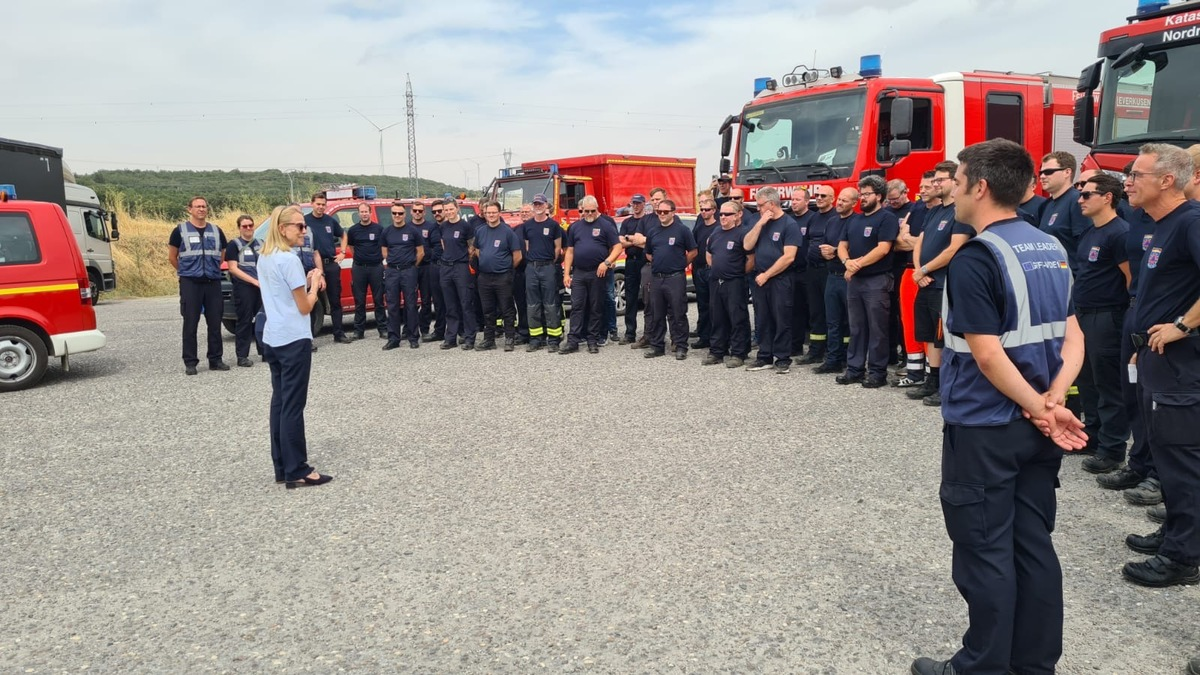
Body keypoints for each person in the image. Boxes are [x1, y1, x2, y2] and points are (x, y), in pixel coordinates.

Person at [912, 138, 1087, 675]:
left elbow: (987, 356)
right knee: (1032, 545)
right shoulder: (1050, 246)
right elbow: (1073, 337)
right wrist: (1052, 400)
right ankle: (1033, 663)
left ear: (980, 187)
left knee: (983, 550)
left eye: (959, 180)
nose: (953, 190)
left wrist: (1040, 406)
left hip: (986, 425)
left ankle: (982, 666)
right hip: (1035, 426)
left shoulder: (977, 257)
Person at [1121, 142, 1200, 589]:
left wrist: (1182, 326)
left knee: (1182, 459)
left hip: (1181, 366)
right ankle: (1175, 531)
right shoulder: (1160, 225)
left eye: (1137, 175)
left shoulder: (1191, 221)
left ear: (1167, 180)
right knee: (1165, 454)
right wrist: (1143, 343)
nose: (1128, 182)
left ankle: (1183, 557)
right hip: (1155, 358)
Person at [258, 205, 333, 489]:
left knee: (279, 402)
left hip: (273, 336)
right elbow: (305, 306)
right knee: (292, 406)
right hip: (293, 337)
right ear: (282, 228)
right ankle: (298, 468)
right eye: (299, 226)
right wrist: (314, 284)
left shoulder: (265, 256)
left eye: (305, 226)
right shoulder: (288, 260)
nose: (304, 231)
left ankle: (282, 465)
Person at [1073, 174, 1132, 474]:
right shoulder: (1089, 231)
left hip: (1107, 316)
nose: (1080, 199)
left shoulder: (1120, 233)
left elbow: (1130, 279)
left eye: (1087, 194)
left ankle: (1112, 449)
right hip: (1084, 314)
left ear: (1107, 197)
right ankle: (1092, 437)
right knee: (1087, 381)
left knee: (1109, 384)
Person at [908, 162, 974, 406]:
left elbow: (954, 248)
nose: (935, 184)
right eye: (933, 180)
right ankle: (932, 380)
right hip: (925, 282)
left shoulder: (960, 212)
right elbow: (920, 242)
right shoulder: (934, 211)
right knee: (928, 335)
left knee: (943, 338)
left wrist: (925, 270)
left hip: (943, 284)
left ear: (954, 181)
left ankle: (948, 384)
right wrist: (919, 271)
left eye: (940, 180)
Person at [836, 176, 899, 388]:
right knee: (856, 327)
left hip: (877, 280)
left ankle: (877, 372)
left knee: (877, 328)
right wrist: (847, 262)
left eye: (866, 194)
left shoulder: (887, 218)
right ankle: (854, 369)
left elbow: (883, 248)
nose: (862, 198)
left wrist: (857, 265)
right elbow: (842, 246)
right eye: (861, 194)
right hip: (855, 281)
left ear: (879, 196)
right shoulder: (854, 220)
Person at [167, 196, 228, 375]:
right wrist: (187, 271)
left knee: (215, 323)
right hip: (191, 283)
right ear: (190, 209)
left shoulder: (216, 231)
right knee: (190, 323)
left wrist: (210, 269)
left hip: (212, 282)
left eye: (204, 206)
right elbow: (172, 257)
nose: (201, 209)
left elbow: (222, 255)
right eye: (197, 206)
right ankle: (190, 362)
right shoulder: (179, 231)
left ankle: (216, 360)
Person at [743, 187, 801, 374]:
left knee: (781, 318)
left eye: (761, 205)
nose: (758, 208)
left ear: (771, 204)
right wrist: (760, 224)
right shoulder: (759, 221)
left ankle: (782, 358)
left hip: (780, 278)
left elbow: (789, 257)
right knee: (762, 318)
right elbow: (747, 245)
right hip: (760, 277)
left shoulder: (789, 224)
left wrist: (767, 275)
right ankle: (764, 356)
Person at [561, 196, 620, 354]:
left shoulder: (606, 225)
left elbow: (617, 247)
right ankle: (573, 340)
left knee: (596, 306)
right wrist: (566, 274)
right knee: (577, 306)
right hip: (579, 272)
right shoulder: (575, 227)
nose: (589, 214)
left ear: (597, 209)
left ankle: (592, 339)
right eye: (585, 211)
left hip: (598, 272)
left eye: (592, 211)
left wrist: (607, 262)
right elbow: (570, 252)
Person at [642, 198, 697, 360]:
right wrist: (660, 263)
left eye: (665, 212)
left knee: (678, 313)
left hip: (675, 278)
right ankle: (657, 346)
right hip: (657, 278)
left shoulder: (682, 230)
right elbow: (648, 253)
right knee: (657, 313)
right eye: (659, 211)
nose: (662, 214)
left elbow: (693, 251)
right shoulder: (653, 231)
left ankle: (681, 346)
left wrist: (680, 264)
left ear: (673, 212)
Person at [705, 199, 754, 367]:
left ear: (738, 215)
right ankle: (717, 351)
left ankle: (739, 353)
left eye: (728, 214)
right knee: (717, 317)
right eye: (721, 214)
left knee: (737, 318)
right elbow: (709, 254)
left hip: (735, 282)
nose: (723, 217)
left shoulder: (743, 234)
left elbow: (751, 259)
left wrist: (737, 273)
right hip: (716, 281)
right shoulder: (716, 233)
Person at [814, 188, 858, 374]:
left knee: (851, 322)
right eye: (839, 199)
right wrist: (825, 253)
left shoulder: (857, 222)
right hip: (831, 276)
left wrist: (836, 251)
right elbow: (824, 246)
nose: (839, 203)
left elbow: (860, 249)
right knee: (832, 321)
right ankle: (833, 360)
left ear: (854, 203)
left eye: (844, 201)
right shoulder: (832, 222)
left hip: (849, 278)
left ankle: (851, 359)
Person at [473, 201, 523, 351]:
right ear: (484, 214)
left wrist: (506, 269)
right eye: (488, 213)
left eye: (494, 212)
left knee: (507, 309)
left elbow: (517, 256)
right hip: (484, 277)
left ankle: (509, 338)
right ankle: (489, 340)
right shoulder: (480, 231)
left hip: (503, 276)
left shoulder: (508, 232)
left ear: (499, 213)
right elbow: (476, 250)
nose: (491, 215)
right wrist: (486, 261)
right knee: (487, 310)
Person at [305, 192, 351, 344]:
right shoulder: (305, 221)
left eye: (323, 204)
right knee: (311, 302)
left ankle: (339, 334)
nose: (320, 207)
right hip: (312, 267)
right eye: (318, 204)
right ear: (312, 204)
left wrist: (342, 252)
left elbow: (343, 235)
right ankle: (309, 339)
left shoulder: (330, 220)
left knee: (335, 301)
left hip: (330, 264)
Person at [797, 186, 836, 366]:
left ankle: (833, 351)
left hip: (829, 270)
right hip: (812, 270)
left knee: (832, 313)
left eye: (823, 196)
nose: (819, 198)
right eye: (817, 195)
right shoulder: (813, 218)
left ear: (832, 198)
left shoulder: (836, 217)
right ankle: (815, 351)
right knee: (815, 312)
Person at [523, 193, 564, 352]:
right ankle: (536, 338)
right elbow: (527, 246)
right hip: (531, 267)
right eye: (536, 204)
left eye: (540, 204)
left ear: (546, 205)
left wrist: (549, 263)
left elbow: (558, 248)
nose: (538, 206)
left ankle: (553, 339)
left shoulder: (553, 226)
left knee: (550, 304)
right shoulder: (528, 226)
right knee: (532, 304)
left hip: (548, 266)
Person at [381, 202, 425, 350]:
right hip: (392, 271)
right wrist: (393, 264)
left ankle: (413, 337)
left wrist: (412, 266)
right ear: (391, 214)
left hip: (409, 271)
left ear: (405, 214)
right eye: (394, 213)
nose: (397, 216)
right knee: (392, 305)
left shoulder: (413, 231)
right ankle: (393, 338)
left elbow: (420, 252)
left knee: (411, 305)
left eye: (400, 213)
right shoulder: (386, 232)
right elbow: (384, 252)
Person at [1039, 151, 1089, 272]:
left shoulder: (1077, 201)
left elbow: (1086, 244)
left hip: (1071, 275)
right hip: (1052, 275)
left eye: (1048, 172)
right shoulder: (1046, 205)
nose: (1042, 176)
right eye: (1041, 172)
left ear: (1067, 172)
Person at [438, 199, 478, 350]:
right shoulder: (443, 226)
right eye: (446, 210)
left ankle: (469, 337)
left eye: (451, 209)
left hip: (461, 267)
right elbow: (444, 245)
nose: (449, 212)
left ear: (457, 208)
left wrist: (463, 261)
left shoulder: (465, 226)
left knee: (466, 304)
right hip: (446, 267)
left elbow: (471, 248)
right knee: (450, 305)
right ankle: (451, 338)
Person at [345, 202, 386, 339]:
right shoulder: (353, 230)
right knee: (359, 300)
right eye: (361, 212)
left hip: (376, 267)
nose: (364, 214)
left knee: (379, 300)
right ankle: (358, 331)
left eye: (366, 212)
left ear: (370, 213)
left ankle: (383, 329)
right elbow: (351, 248)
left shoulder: (378, 229)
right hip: (359, 268)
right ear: (358, 214)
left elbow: (383, 247)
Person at [225, 215, 263, 367]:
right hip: (244, 287)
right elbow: (233, 268)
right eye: (244, 226)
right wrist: (253, 281)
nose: (248, 228)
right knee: (245, 321)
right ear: (239, 228)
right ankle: (242, 356)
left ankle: (265, 352)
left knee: (263, 319)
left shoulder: (261, 243)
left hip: (261, 287)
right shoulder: (233, 245)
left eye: (250, 225)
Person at [411, 201, 445, 343]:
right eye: (415, 210)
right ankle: (409, 329)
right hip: (410, 268)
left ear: (424, 212)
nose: (417, 213)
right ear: (411, 212)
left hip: (427, 267)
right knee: (409, 301)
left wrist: (427, 257)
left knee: (426, 300)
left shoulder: (431, 227)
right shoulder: (407, 226)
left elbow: (436, 247)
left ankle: (424, 330)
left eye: (420, 210)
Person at [618, 193, 650, 344]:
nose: (635, 206)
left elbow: (649, 242)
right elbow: (621, 242)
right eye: (633, 203)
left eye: (638, 203)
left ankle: (648, 333)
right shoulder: (626, 222)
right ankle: (630, 333)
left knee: (648, 298)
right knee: (630, 298)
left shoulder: (648, 221)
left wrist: (629, 238)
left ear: (644, 204)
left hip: (645, 262)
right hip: (631, 262)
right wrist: (637, 241)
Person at [691, 196, 719, 350]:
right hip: (699, 269)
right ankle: (704, 337)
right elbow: (694, 247)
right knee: (702, 305)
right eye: (702, 209)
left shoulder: (719, 227)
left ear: (714, 210)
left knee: (715, 305)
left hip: (712, 269)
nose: (704, 212)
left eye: (707, 209)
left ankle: (717, 338)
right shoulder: (699, 227)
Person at [788, 188, 813, 358]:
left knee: (813, 310)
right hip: (791, 271)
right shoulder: (788, 220)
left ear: (806, 201)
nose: (794, 202)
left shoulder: (813, 218)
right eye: (793, 199)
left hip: (808, 271)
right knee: (794, 311)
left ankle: (816, 347)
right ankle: (795, 346)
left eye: (797, 199)